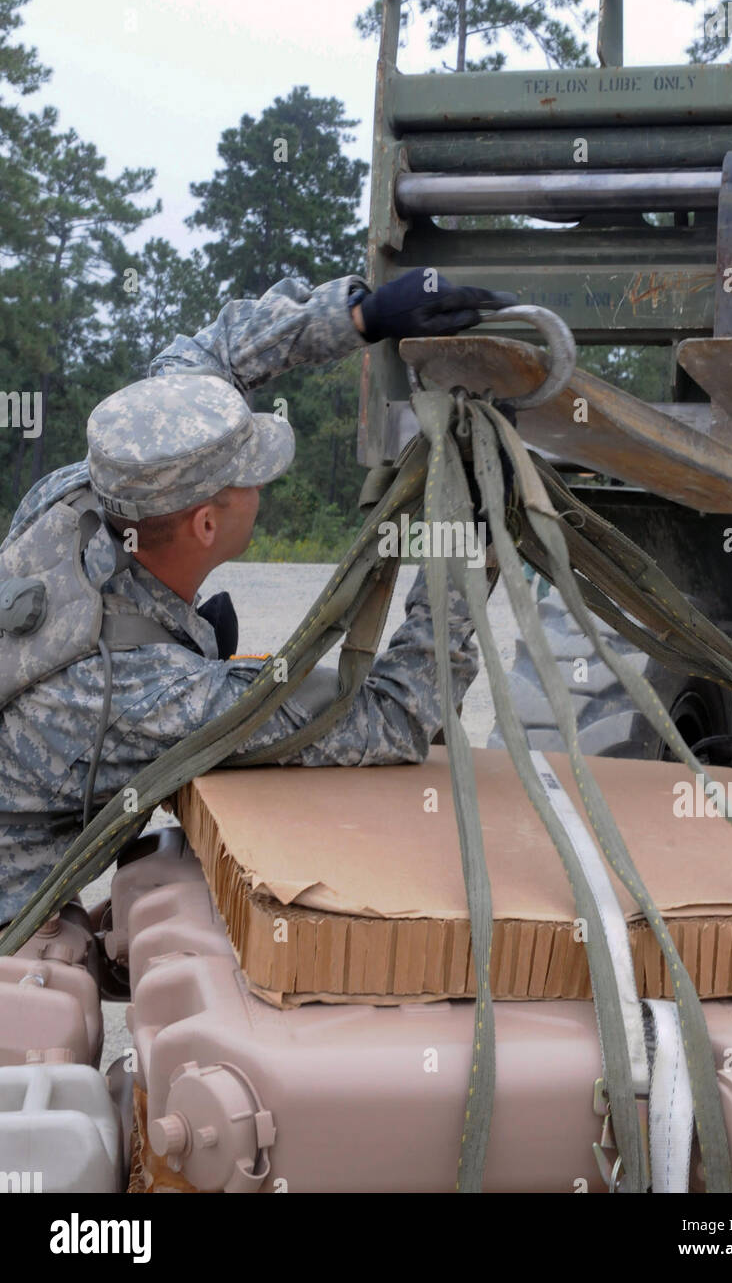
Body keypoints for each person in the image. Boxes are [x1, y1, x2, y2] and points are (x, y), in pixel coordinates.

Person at [0, 267, 514, 924]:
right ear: (207, 523)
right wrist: (464, 546)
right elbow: (397, 718)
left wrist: (362, 316)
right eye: (253, 477)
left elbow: (209, 356)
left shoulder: (86, 489)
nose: (263, 486)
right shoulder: (155, 694)